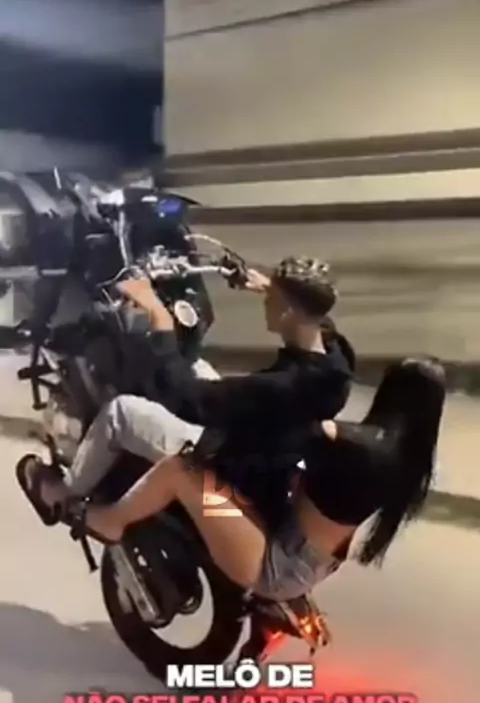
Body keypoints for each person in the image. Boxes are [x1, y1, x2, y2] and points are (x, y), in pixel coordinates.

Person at [47, 357, 447, 601]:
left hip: (276, 562)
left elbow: (296, 431)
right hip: (310, 557)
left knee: (180, 471)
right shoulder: (410, 461)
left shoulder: (355, 442)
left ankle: (109, 521)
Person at [19, 256, 355, 531]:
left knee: (121, 412)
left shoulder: (285, 384)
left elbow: (188, 398)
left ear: (288, 311)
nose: (266, 303)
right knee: (194, 363)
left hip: (228, 460)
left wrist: (159, 316)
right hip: (268, 447)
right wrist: (269, 287)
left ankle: (60, 495)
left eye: (272, 300)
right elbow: (316, 322)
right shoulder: (337, 360)